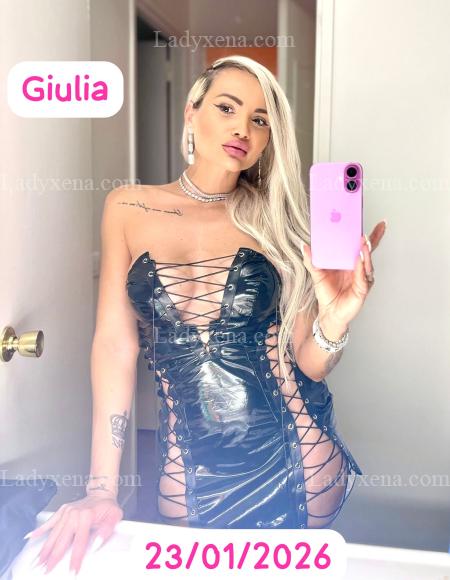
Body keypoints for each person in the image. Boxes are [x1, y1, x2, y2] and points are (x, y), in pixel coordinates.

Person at [26, 55, 386, 575]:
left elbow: (310, 362)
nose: (243, 129)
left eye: (260, 120)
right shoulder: (128, 207)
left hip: (297, 461)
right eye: (227, 108)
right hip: (189, 474)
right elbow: (115, 346)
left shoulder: (280, 221)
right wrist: (100, 489)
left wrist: (338, 317)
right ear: (192, 112)